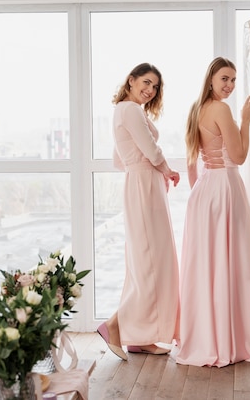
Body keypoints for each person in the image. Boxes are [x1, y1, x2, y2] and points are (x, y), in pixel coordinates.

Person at [174, 57, 250, 367]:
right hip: (224, 188)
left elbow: (192, 161)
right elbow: (239, 156)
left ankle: (208, 336)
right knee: (233, 260)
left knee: (209, 264)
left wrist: (199, 193)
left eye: (233, 80)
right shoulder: (221, 109)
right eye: (224, 78)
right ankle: (232, 338)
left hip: (205, 191)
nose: (230, 85)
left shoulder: (198, 109)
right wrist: (247, 120)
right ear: (211, 79)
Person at [97, 63, 180, 360]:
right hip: (144, 186)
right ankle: (114, 325)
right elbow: (149, 148)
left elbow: (119, 159)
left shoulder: (125, 110)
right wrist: (166, 170)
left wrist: (142, 170)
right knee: (150, 264)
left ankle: (140, 336)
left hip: (140, 183)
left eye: (155, 86)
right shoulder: (130, 110)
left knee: (145, 263)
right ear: (131, 81)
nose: (150, 89)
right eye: (146, 82)